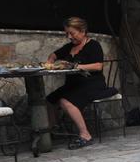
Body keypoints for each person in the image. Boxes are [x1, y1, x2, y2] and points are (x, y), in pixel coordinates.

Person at [46, 17, 117, 149]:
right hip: (73, 85)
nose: (69, 36)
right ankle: (50, 130)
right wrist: (50, 62)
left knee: (64, 101)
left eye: (72, 33)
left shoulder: (93, 45)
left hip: (92, 83)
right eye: (66, 33)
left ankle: (85, 135)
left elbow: (98, 66)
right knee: (49, 100)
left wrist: (75, 67)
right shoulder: (69, 47)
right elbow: (53, 55)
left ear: (83, 31)